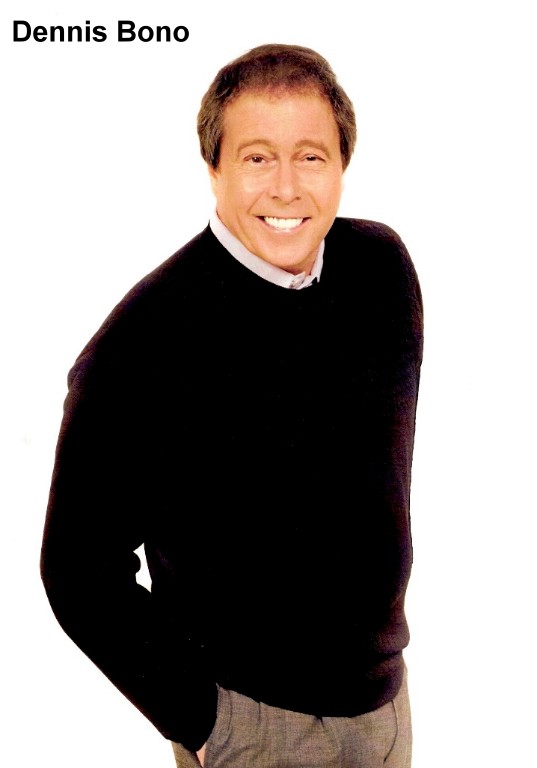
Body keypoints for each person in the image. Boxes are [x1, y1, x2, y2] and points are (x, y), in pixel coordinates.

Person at [41, 44, 423, 768]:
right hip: (253, 725)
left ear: (342, 164)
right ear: (213, 167)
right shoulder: (144, 341)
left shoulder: (381, 271)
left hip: (385, 711)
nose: (286, 187)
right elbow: (76, 572)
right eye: (256, 158)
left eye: (310, 156)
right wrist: (208, 721)